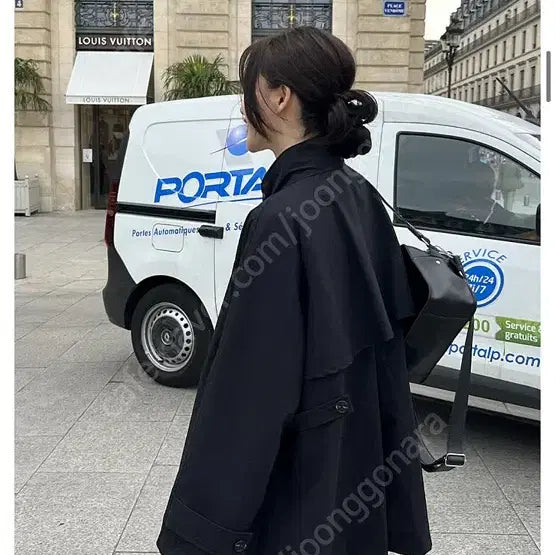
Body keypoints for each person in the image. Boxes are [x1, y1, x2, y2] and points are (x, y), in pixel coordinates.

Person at [157, 27, 432, 555]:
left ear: (280, 97)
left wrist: (198, 533)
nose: (243, 108)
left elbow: (247, 393)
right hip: (351, 475)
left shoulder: (279, 219)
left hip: (298, 492)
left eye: (249, 92)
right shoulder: (359, 193)